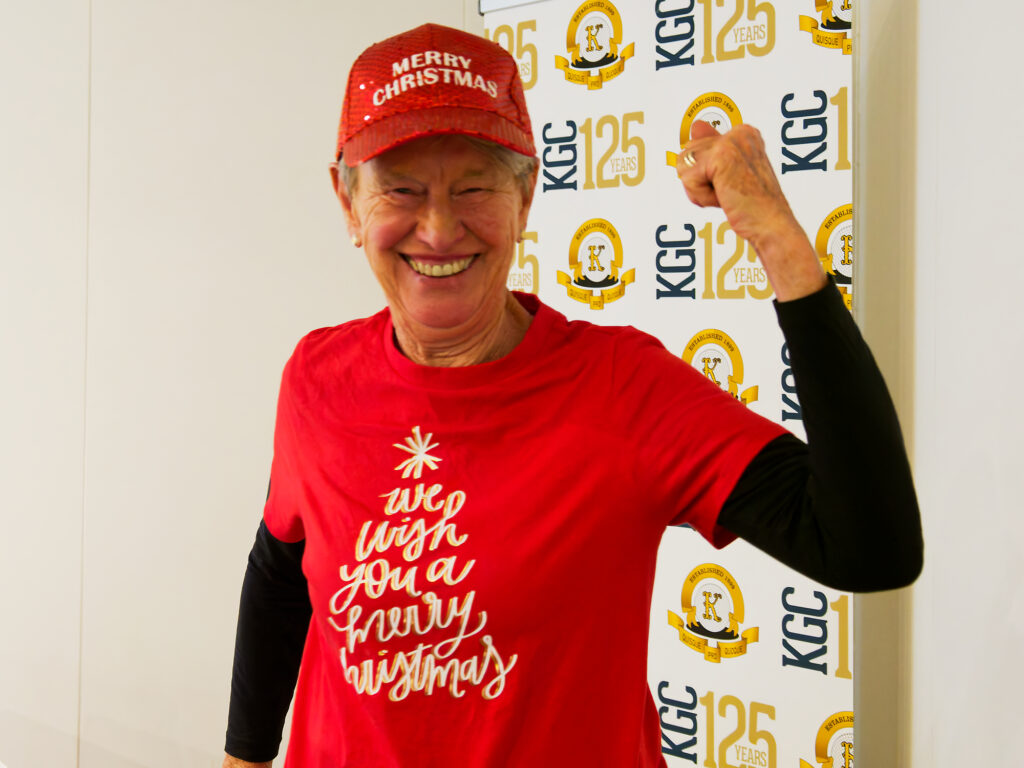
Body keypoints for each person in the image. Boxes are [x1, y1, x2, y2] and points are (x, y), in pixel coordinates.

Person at [222, 22, 921, 768]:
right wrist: (244, 757)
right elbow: (280, 570)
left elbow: (869, 548)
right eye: (401, 189)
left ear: (525, 197)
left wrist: (778, 240)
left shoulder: (623, 388)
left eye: (473, 187)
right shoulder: (316, 377)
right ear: (347, 202)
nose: (438, 227)